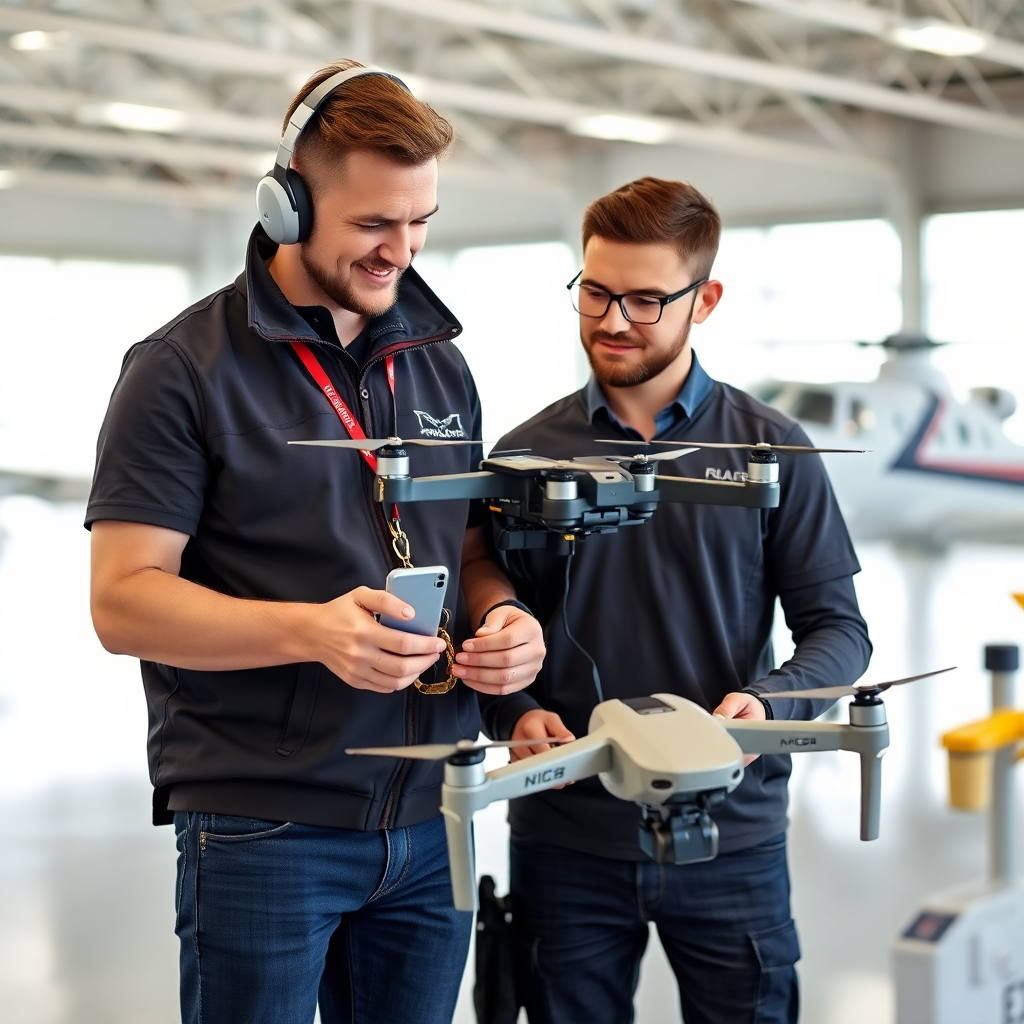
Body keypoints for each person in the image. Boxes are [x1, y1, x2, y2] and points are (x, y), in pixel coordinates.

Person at [87, 60, 544, 1024]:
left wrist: (503, 614)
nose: (402, 251)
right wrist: (314, 631)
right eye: (374, 225)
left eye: (420, 222)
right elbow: (124, 601)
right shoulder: (179, 373)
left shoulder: (439, 364)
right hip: (267, 825)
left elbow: (465, 548)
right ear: (289, 203)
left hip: (432, 819)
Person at [481, 176, 872, 1024]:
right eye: (595, 291)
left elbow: (838, 630)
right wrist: (512, 707)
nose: (613, 320)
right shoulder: (523, 454)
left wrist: (770, 700)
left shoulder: (773, 450)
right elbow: (488, 616)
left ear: (708, 299)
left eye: (648, 299)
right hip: (566, 831)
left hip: (733, 830)